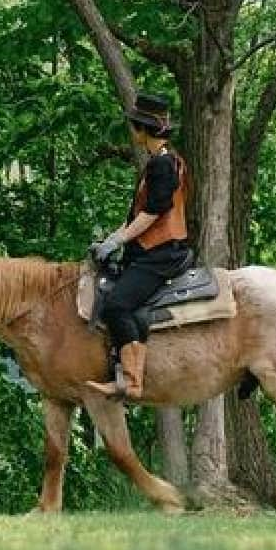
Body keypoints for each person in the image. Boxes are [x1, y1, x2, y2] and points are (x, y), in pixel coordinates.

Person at [89, 92, 193, 402]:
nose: (132, 133)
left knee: (115, 305)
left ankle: (132, 382)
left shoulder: (162, 165)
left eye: (133, 127)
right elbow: (136, 217)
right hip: (150, 250)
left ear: (142, 130)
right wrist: (110, 239)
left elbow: (152, 213)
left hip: (160, 254)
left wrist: (117, 241)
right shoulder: (162, 162)